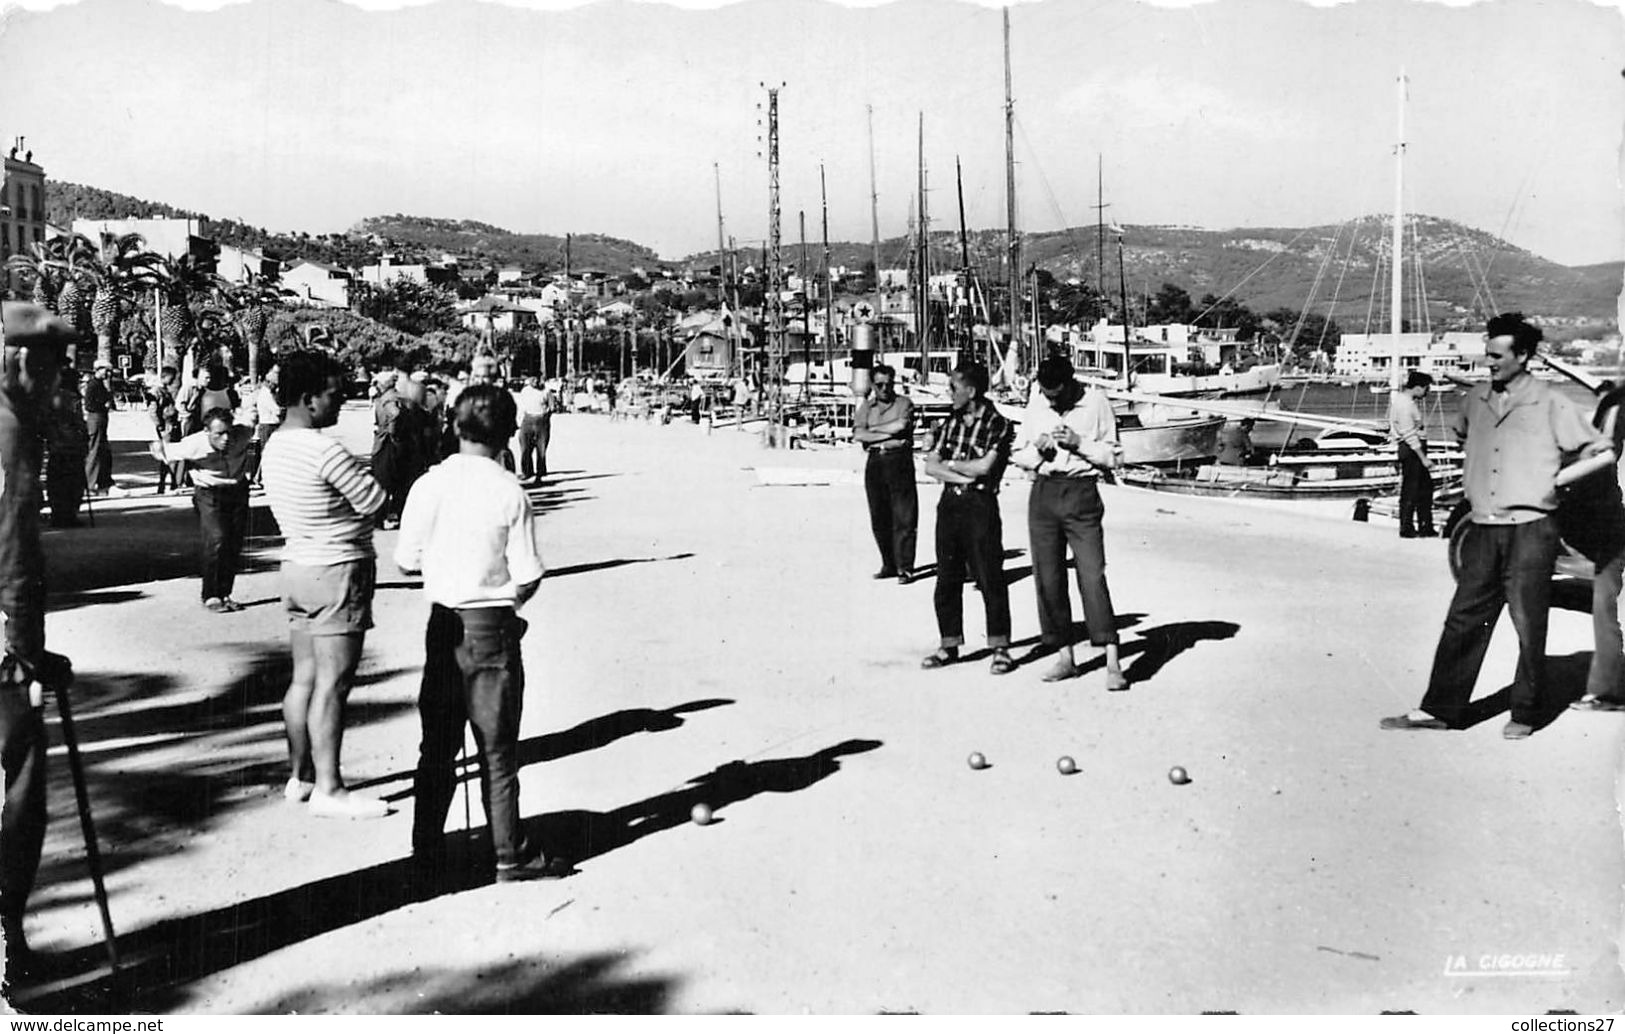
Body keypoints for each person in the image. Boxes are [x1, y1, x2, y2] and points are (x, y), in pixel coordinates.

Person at [1382, 313, 1613, 739]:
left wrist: (1552, 479)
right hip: (1484, 526)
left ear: (1523, 356)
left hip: (1532, 527)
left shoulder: (1551, 402)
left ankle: (1524, 713)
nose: (1487, 362)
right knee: (1463, 618)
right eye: (1486, 354)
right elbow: (1463, 437)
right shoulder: (1476, 400)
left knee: (1529, 622)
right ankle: (1440, 709)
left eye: (1495, 355)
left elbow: (1602, 452)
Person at [394, 384, 572, 884]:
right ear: (509, 432)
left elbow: (406, 561)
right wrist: (509, 602)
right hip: (493, 627)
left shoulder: (428, 485)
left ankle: (425, 853)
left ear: (452, 425)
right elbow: (529, 572)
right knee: (498, 750)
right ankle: (509, 853)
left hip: (444, 626)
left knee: (437, 747)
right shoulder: (509, 492)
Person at [260, 349, 392, 817]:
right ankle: (330, 789)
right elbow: (374, 500)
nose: (339, 403)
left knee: (304, 679)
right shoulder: (323, 448)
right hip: (337, 568)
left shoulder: (274, 445)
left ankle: (301, 776)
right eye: (334, 395)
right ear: (308, 399)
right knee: (334, 684)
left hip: (297, 566)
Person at [0, 302, 75, 989]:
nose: (58, 383)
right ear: (23, 361)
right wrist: (27, 652)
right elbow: (12, 550)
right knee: (20, 799)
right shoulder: (10, 427)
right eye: (53, 368)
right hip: (0, 657)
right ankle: (7, 952)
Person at [1010, 354, 1128, 688]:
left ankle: (1112, 662)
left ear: (1071, 383)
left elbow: (1115, 456)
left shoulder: (1096, 403)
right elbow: (1018, 454)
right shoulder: (1037, 404)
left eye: (1056, 394)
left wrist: (1078, 443)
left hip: (1081, 492)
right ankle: (1065, 656)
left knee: (1092, 575)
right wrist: (1038, 451)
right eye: (1046, 393)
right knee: (1048, 577)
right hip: (1045, 492)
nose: (1051, 400)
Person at [918, 362, 1015, 675]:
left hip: (980, 506)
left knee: (989, 576)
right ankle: (949, 644)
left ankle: (1000, 647)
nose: (950, 393)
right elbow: (930, 466)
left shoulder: (997, 423)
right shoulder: (951, 422)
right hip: (951, 503)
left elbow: (986, 468)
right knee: (947, 576)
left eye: (954, 388)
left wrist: (952, 464)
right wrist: (962, 474)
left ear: (970, 391)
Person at [1566, 382, 1625, 712]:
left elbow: (1605, 455)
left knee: (1608, 602)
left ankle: (1609, 691)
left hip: (1616, 519)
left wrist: (1558, 481)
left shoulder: (1616, 404)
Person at [168, 407, 256, 612]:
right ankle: (211, 595)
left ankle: (225, 593)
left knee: (233, 543)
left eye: (229, 432)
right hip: (209, 493)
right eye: (219, 434)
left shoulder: (243, 434)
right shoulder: (193, 444)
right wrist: (159, 448)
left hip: (237, 490)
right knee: (217, 539)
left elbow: (252, 419)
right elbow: (164, 451)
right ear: (207, 432)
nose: (226, 438)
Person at [853, 363, 919, 583]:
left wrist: (873, 431)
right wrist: (885, 433)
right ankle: (889, 564)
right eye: (879, 384)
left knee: (904, 516)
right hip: (875, 462)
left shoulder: (904, 404)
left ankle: (905, 568)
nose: (884, 389)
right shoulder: (866, 408)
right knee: (879, 517)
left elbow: (901, 426)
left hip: (898, 460)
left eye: (888, 384)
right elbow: (858, 434)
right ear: (872, 385)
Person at [1389, 369, 1437, 537]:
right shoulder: (1404, 405)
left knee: (1425, 488)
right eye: (1426, 388)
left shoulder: (1406, 402)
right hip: (1411, 450)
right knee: (1412, 488)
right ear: (1417, 387)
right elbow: (1408, 433)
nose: (1427, 392)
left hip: (1413, 449)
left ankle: (1425, 525)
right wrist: (1423, 458)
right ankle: (1407, 527)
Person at [42, 370, 89, 528]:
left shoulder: (51, 396)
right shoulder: (70, 398)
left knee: (57, 482)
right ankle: (68, 514)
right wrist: (83, 438)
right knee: (72, 482)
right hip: (71, 445)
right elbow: (78, 422)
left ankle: (58, 514)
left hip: (57, 446)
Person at [148, 366, 186, 494]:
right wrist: (160, 427)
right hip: (166, 426)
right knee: (168, 456)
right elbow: (153, 411)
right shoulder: (157, 391)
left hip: (171, 424)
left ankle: (168, 483)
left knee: (170, 455)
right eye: (172, 377)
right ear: (165, 377)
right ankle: (168, 484)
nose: (173, 380)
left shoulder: (164, 390)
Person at [82, 360, 115, 497]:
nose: (108, 374)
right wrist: (104, 405)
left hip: (101, 419)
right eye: (106, 371)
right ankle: (88, 484)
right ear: (98, 370)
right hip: (95, 418)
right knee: (94, 451)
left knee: (103, 452)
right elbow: (89, 405)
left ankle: (103, 483)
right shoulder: (93, 385)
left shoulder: (100, 384)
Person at [514, 375, 555, 483]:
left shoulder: (547, 391)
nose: (535, 381)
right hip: (527, 420)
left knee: (541, 448)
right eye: (532, 379)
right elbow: (521, 407)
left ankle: (540, 473)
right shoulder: (525, 391)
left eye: (537, 379)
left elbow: (552, 407)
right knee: (525, 446)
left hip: (541, 420)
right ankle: (527, 472)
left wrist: (544, 418)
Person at [250, 363, 283, 487]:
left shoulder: (268, 393)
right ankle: (258, 477)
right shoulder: (266, 394)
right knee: (267, 453)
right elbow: (277, 410)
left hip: (270, 424)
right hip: (268, 425)